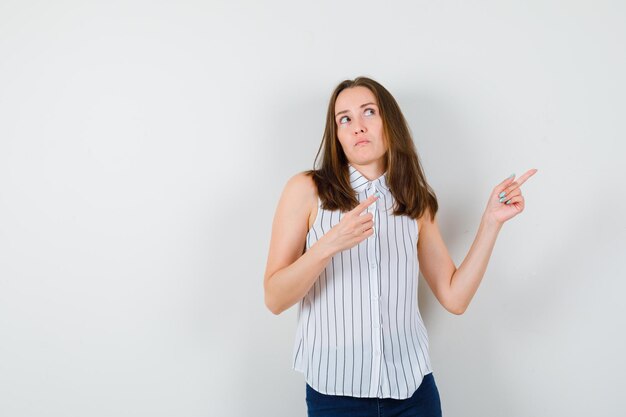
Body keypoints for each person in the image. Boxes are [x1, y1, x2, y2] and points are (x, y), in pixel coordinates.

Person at [263, 76, 537, 417]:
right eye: (344, 119)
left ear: (389, 122)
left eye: (369, 112)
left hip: (413, 394)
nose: (357, 127)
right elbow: (274, 298)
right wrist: (326, 246)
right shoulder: (306, 190)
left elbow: (455, 297)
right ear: (336, 135)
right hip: (336, 398)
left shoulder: (414, 200)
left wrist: (491, 222)